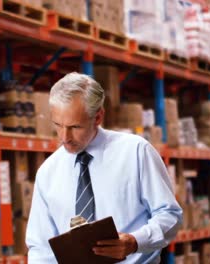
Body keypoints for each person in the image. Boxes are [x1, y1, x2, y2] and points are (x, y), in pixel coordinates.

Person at [26, 72, 182, 263]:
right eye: (58, 125)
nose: (64, 137)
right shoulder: (48, 172)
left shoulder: (135, 152)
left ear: (98, 116)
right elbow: (40, 248)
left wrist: (135, 242)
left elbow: (170, 215)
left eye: (75, 127)